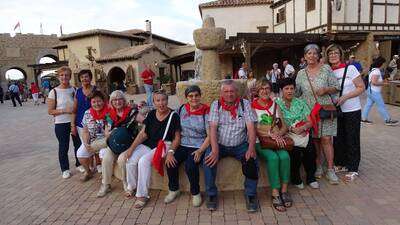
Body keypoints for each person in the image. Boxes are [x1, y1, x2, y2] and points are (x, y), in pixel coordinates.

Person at [204, 80, 259, 212]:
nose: (229, 94)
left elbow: (251, 128)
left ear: (237, 92)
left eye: (232, 91)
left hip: (240, 145)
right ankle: (211, 194)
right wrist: (215, 150)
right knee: (208, 161)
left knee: (252, 161)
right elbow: (212, 128)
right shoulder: (216, 105)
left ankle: (250, 194)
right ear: (222, 93)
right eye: (226, 91)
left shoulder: (244, 104)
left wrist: (251, 148)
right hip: (220, 144)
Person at [125, 90, 181, 210]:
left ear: (167, 100)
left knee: (143, 161)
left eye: (163, 100)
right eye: (158, 100)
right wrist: (131, 148)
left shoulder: (174, 115)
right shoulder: (151, 114)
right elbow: (143, 134)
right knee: (131, 159)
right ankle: (132, 186)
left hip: (164, 145)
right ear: (154, 102)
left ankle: (142, 195)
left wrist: (171, 152)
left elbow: (177, 138)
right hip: (149, 144)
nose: (161, 103)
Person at [295, 44, 340, 184]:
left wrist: (326, 90)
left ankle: (330, 169)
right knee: (314, 140)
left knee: (326, 139)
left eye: (315, 53)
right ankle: (318, 166)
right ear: (304, 57)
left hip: (325, 110)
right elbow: (297, 93)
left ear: (318, 55)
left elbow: (337, 87)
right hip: (309, 112)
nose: (312, 56)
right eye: (309, 53)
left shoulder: (326, 69)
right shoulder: (301, 73)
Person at [164, 85, 210, 207]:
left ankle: (195, 193)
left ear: (200, 96)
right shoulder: (180, 110)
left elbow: (210, 136)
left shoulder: (206, 111)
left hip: (198, 145)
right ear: (186, 98)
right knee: (170, 161)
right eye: (190, 96)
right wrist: (170, 151)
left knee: (190, 165)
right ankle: (174, 189)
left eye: (196, 95)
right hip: (182, 144)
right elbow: (173, 128)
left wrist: (200, 151)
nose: (193, 98)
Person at [326, 44, 365, 181]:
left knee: (352, 138)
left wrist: (345, 97)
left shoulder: (350, 68)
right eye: (330, 53)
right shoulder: (328, 70)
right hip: (336, 110)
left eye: (336, 53)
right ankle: (341, 163)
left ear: (341, 54)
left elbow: (361, 87)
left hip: (352, 109)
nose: (333, 55)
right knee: (338, 138)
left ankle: (353, 167)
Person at [252, 78, 292, 212]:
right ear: (257, 91)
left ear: (270, 90)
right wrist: (269, 134)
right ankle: (275, 192)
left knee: (285, 156)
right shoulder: (252, 106)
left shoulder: (275, 105)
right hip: (261, 141)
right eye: (261, 89)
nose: (264, 91)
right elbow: (253, 128)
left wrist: (279, 134)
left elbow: (284, 125)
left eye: (267, 88)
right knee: (273, 158)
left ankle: (284, 190)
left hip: (276, 140)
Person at [275, 78, 319, 190]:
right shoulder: (277, 104)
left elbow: (310, 121)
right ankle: (296, 178)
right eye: (286, 89)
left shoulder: (300, 103)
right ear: (281, 90)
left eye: (291, 88)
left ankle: (311, 177)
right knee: (295, 152)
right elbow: (277, 123)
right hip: (286, 134)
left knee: (311, 150)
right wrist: (290, 129)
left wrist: (303, 128)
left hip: (302, 133)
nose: (289, 91)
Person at [97, 90, 139, 197]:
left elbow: (143, 120)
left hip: (128, 144)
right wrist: (114, 132)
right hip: (114, 144)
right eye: (114, 99)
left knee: (121, 159)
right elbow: (107, 133)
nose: (117, 101)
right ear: (111, 102)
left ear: (124, 100)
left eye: (120, 99)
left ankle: (126, 183)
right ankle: (106, 184)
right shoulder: (109, 115)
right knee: (106, 158)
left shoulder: (131, 112)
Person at [47, 66, 79, 179]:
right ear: (58, 77)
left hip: (74, 121)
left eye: (66, 75)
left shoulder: (74, 90)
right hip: (61, 123)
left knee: (78, 144)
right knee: (63, 146)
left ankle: (79, 163)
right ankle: (65, 169)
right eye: (61, 75)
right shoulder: (54, 92)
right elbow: (50, 111)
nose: (64, 77)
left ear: (70, 77)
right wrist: (64, 110)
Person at [77, 90, 109, 181]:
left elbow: (109, 132)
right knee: (80, 153)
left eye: (99, 101)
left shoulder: (109, 112)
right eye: (94, 102)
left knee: (103, 153)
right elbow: (85, 131)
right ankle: (88, 172)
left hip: (105, 142)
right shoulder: (87, 113)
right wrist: (86, 143)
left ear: (104, 101)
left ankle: (105, 174)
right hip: (92, 141)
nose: (97, 104)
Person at [72, 70, 99, 174]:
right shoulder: (77, 92)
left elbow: (104, 102)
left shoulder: (96, 90)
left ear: (90, 78)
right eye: (82, 77)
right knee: (86, 143)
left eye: (86, 77)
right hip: (81, 124)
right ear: (80, 79)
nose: (84, 79)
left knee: (96, 142)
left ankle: (98, 163)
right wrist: (72, 125)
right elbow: (74, 110)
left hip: (95, 121)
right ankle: (90, 166)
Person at [361, 56, 398, 126]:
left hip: (370, 90)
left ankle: (363, 119)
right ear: (381, 63)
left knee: (368, 105)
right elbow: (374, 82)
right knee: (381, 105)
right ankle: (387, 120)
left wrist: (382, 80)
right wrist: (384, 83)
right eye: (384, 63)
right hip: (374, 92)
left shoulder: (373, 69)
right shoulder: (377, 71)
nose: (384, 65)